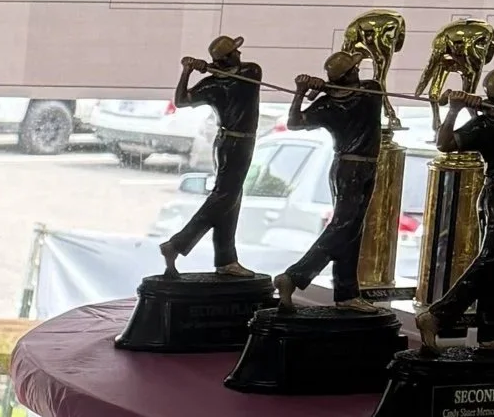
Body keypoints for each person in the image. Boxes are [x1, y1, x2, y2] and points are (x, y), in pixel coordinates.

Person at [416, 67, 494, 350]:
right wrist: (459, 110)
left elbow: (491, 129)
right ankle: (438, 315)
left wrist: (463, 110)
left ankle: (491, 332)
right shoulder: (490, 122)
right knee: (491, 261)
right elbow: (444, 144)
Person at [273, 50, 387, 311]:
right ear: (352, 74)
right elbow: (294, 124)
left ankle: (347, 293)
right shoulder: (369, 91)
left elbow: (296, 120)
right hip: (354, 169)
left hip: (348, 167)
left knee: (352, 229)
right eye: (355, 69)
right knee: (344, 227)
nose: (360, 71)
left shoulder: (330, 103)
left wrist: (304, 92)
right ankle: (294, 277)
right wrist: (314, 91)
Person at [158, 34, 262, 277]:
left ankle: (226, 259)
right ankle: (177, 244)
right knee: (225, 197)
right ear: (228, 57)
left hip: (236, 142)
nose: (240, 54)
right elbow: (181, 100)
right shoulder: (213, 84)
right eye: (235, 52)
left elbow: (246, 70)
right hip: (233, 143)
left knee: (231, 200)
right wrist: (188, 71)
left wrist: (204, 70)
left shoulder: (249, 73)